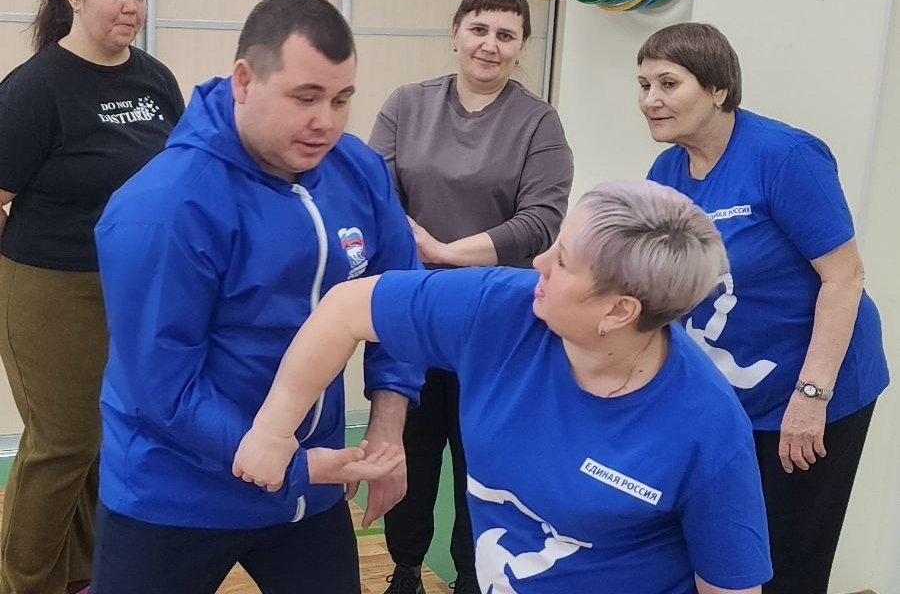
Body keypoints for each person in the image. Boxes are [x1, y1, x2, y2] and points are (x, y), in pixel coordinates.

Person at [234, 180, 775, 594]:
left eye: (562, 262)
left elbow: (731, 587)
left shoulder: (706, 426)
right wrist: (273, 431)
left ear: (618, 311)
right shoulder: (504, 308)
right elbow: (346, 309)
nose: (539, 262)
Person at [88, 0, 420, 594]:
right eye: (305, 98)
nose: (326, 122)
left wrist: (387, 428)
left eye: (341, 99)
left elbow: (400, 302)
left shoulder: (358, 171)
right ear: (244, 81)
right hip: (174, 493)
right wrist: (289, 464)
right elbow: (163, 386)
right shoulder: (164, 208)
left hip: (307, 492)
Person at [637, 22, 890, 594]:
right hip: (732, 390)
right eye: (644, 85)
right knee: (726, 549)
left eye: (668, 84)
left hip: (813, 386)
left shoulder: (784, 156)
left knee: (788, 557)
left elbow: (844, 277)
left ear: (718, 89)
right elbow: (665, 288)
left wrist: (811, 397)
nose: (651, 100)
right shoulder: (665, 173)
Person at [367, 0, 573, 593]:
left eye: (506, 34)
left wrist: (446, 253)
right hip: (414, 314)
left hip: (497, 323)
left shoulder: (538, 122)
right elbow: (376, 194)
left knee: (481, 458)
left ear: (521, 46)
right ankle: (405, 568)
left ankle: (471, 577)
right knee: (411, 445)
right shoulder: (406, 104)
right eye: (479, 29)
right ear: (455, 32)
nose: (490, 44)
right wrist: (420, 254)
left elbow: (542, 221)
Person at [0, 0, 183, 592]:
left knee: (109, 441)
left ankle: (83, 576)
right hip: (50, 286)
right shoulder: (36, 88)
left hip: (133, 288)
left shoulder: (156, 80)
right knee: (63, 445)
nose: (131, 7)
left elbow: (177, 177)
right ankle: (26, 583)